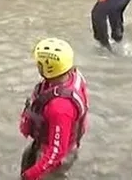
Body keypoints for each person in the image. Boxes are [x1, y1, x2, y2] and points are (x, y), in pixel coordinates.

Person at [19, 38, 89, 180]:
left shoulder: (59, 108)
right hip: (45, 142)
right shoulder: (72, 75)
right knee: (27, 159)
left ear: (46, 68)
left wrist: (32, 174)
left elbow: (57, 152)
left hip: (54, 154)